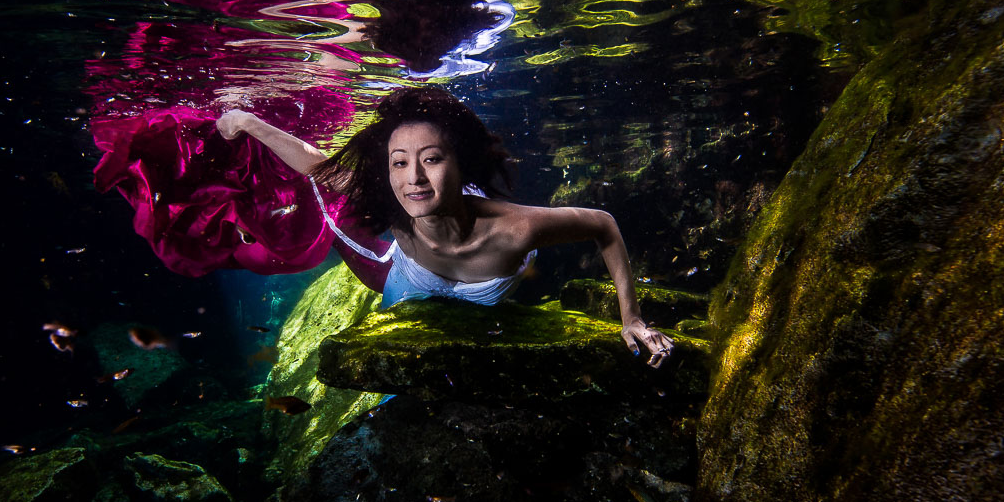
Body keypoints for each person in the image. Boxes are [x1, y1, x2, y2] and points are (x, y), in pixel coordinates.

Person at [216, 87, 676, 367]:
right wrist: (248, 121)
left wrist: (630, 317)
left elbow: (604, 225)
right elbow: (318, 164)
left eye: (431, 159)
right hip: (410, 282)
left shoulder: (517, 230)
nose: (413, 179)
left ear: (460, 164)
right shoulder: (396, 203)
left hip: (485, 280)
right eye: (400, 163)